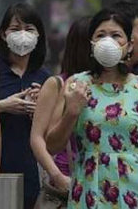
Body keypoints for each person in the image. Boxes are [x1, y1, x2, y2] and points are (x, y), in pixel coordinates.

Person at [47, 8, 138, 209]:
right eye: (100, 35)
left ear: (129, 45)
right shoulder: (76, 85)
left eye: (116, 35)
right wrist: (71, 112)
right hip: (90, 191)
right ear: (91, 43)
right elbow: (52, 145)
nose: (108, 41)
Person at [30, 16, 91, 209]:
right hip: (66, 181)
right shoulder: (57, 84)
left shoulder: (113, 88)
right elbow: (38, 138)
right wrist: (57, 175)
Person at [0, 3, 50, 209]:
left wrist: (41, 108)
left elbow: (55, 129)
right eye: (15, 29)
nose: (23, 35)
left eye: (29, 29)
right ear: (3, 34)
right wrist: (1, 106)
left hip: (34, 170)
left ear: (39, 35)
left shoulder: (45, 77)